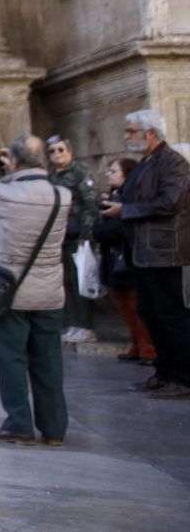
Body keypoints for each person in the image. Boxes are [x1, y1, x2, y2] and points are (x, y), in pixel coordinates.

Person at [0, 137, 71, 445]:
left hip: (11, 291)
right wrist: (13, 170)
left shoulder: (3, 194)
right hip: (49, 293)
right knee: (49, 361)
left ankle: (20, 422)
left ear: (15, 162)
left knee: (12, 359)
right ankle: (55, 428)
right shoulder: (62, 195)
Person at [100, 110, 190, 399]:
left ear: (150, 133)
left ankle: (183, 377)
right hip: (142, 250)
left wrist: (124, 210)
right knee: (150, 311)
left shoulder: (173, 163)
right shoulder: (147, 162)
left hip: (163, 251)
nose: (127, 136)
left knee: (169, 313)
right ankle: (163, 372)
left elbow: (170, 202)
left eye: (131, 131)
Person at [93, 157, 155, 365]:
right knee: (123, 304)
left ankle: (148, 349)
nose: (109, 175)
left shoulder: (132, 197)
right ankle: (137, 345)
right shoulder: (114, 196)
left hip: (128, 258)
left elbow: (118, 227)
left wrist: (103, 228)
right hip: (113, 258)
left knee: (137, 305)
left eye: (113, 171)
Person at [46, 135, 101, 343]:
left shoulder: (79, 171)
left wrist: (85, 234)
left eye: (61, 149)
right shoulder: (50, 175)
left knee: (80, 280)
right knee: (65, 281)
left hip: (76, 233)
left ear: (69, 151)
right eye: (52, 151)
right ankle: (70, 324)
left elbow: (90, 203)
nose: (57, 154)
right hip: (57, 235)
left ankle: (85, 325)